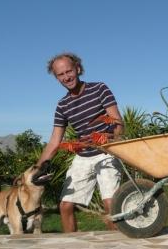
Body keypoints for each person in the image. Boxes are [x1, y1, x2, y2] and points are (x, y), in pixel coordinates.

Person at [37, 52, 124, 232]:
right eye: (60, 75)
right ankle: (72, 247)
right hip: (83, 156)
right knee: (65, 206)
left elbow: (118, 122)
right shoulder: (62, 106)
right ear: (56, 78)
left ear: (78, 69)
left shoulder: (99, 89)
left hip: (106, 153)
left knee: (110, 205)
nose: (66, 77)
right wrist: (36, 169)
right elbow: (54, 141)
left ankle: (116, 248)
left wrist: (112, 140)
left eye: (69, 71)